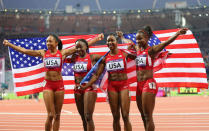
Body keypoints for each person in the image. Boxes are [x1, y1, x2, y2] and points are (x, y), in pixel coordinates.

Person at [3, 34, 103, 131]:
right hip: (48, 85)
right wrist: (9, 44)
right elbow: (25, 50)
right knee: (50, 115)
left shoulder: (63, 53)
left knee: (57, 116)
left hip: (59, 85)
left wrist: (97, 39)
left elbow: (83, 46)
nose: (47, 43)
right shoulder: (43, 52)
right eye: (47, 41)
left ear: (56, 43)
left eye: (50, 41)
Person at [135, 26, 188, 131]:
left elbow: (166, 43)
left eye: (140, 39)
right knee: (142, 116)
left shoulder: (152, 50)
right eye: (137, 39)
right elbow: (128, 42)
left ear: (147, 38)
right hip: (139, 85)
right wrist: (122, 37)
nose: (138, 41)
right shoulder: (138, 50)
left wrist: (177, 33)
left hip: (148, 84)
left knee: (148, 116)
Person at [81, 34, 135, 131]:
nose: (110, 43)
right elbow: (96, 75)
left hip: (124, 86)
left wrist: (123, 38)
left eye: (112, 40)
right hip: (112, 88)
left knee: (125, 116)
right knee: (116, 117)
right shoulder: (105, 58)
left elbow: (139, 55)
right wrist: (85, 87)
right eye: (108, 41)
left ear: (116, 42)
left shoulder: (124, 53)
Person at [65, 37, 104, 131]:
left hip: (89, 87)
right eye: (76, 47)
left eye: (80, 47)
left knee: (88, 116)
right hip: (77, 88)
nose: (78, 49)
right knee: (83, 117)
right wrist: (74, 51)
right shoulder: (75, 57)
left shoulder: (92, 57)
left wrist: (98, 73)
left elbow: (106, 59)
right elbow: (64, 54)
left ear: (86, 47)